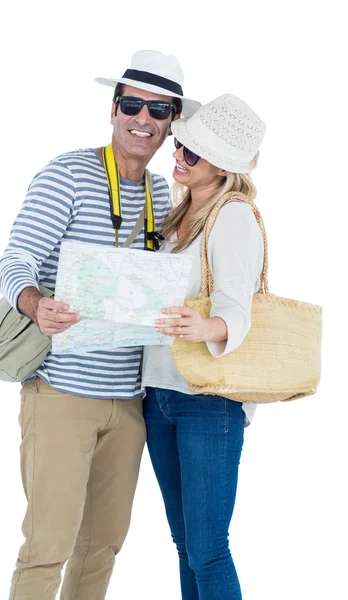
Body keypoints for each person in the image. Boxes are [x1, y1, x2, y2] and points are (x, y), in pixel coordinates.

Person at [0, 50, 200, 600]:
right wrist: (34, 302)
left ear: (172, 123)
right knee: (47, 548)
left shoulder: (162, 194)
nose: (144, 119)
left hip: (131, 401)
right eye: (132, 104)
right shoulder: (67, 173)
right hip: (61, 393)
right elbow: (13, 261)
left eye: (159, 111)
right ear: (113, 109)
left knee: (102, 548)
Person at [142, 93, 267, 600]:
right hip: (160, 393)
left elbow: (238, 311)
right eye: (179, 144)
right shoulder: (179, 216)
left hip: (207, 401)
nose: (177, 156)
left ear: (223, 165)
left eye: (191, 153)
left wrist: (207, 326)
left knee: (209, 549)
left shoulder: (233, 215)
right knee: (184, 544)